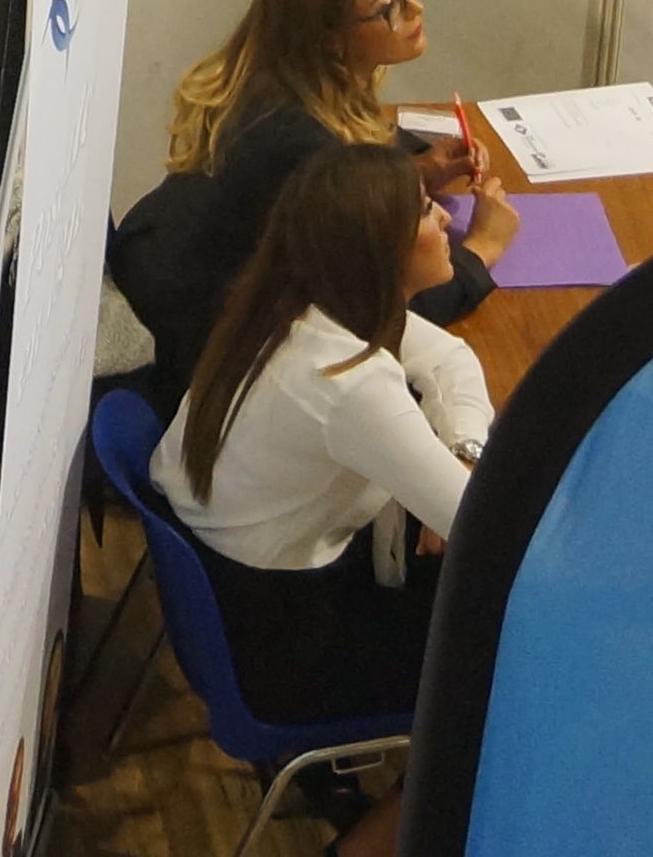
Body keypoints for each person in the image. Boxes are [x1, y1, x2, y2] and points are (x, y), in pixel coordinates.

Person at [147, 144, 491, 815]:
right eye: (427, 211)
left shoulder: (292, 307)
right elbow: (484, 526)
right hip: (285, 649)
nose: (446, 219)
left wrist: (464, 452)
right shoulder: (350, 385)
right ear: (383, 249)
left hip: (237, 600)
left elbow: (451, 358)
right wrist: (455, 490)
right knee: (510, 666)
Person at [122, 0, 497, 396]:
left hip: (165, 275)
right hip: (209, 360)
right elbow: (368, 316)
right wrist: (481, 250)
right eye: (389, 7)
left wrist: (418, 169)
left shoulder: (280, 79)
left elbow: (356, 134)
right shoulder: (302, 146)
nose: (414, 9)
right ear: (332, 39)